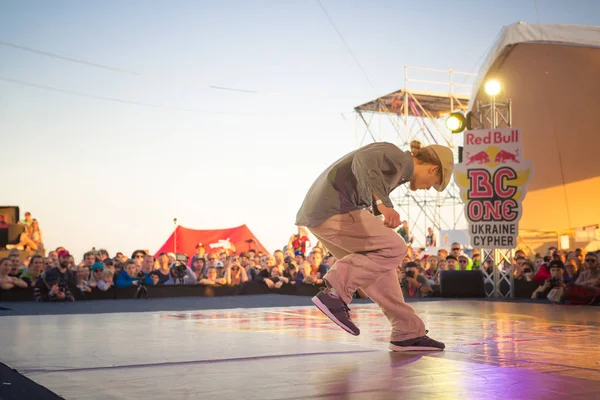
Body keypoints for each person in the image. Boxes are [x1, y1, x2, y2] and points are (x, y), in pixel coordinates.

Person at [296, 140, 454, 352]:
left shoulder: (398, 170)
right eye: (434, 182)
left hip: (322, 212)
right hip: (335, 209)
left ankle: (407, 333)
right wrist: (384, 205)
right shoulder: (397, 156)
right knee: (395, 248)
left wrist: (377, 208)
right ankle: (335, 293)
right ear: (433, 168)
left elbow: (363, 178)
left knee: (380, 270)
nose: (428, 188)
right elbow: (364, 160)